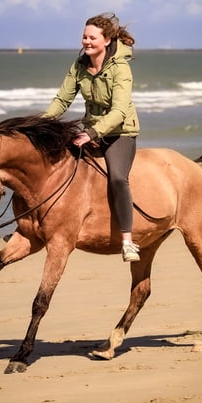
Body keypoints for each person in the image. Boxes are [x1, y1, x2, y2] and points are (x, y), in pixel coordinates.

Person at [43, 13, 141, 262]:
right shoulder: (79, 66)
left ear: (107, 40)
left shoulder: (121, 68)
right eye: (84, 36)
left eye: (92, 37)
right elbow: (62, 100)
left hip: (119, 132)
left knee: (118, 178)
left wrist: (92, 133)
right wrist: (42, 124)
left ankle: (127, 241)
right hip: (90, 130)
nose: (86, 41)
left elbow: (119, 112)